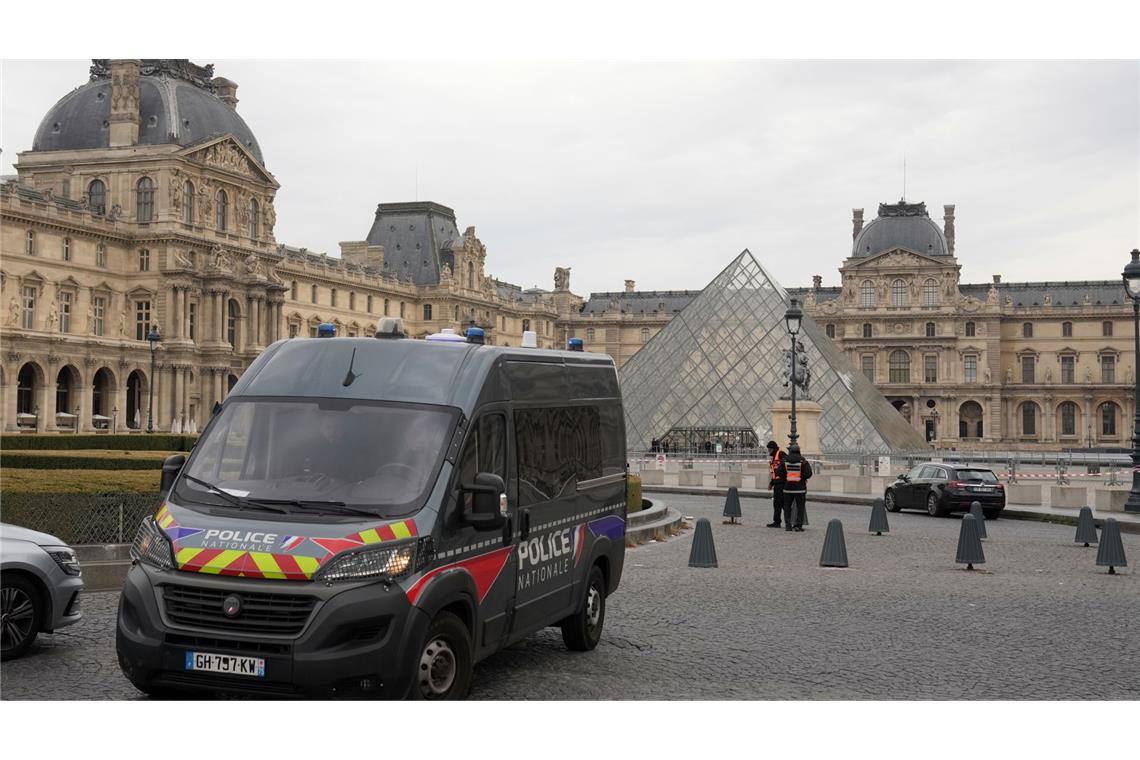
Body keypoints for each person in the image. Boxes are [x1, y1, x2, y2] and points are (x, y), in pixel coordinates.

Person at [777, 449, 813, 532]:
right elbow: (809, 474)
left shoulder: (784, 460)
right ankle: (798, 525)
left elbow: (779, 472)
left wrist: (786, 478)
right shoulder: (803, 461)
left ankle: (788, 525)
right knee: (800, 507)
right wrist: (802, 477)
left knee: (787, 507)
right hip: (800, 489)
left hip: (788, 488)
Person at [765, 440, 786, 528]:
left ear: (773, 448)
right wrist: (771, 483)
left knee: (784, 504)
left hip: (782, 483)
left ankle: (789, 521)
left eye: (770, 449)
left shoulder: (781, 454)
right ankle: (777, 522)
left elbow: (786, 468)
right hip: (776, 483)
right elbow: (773, 472)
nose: (769, 451)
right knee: (777, 504)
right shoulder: (772, 457)